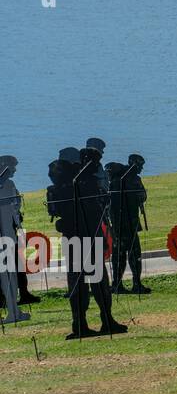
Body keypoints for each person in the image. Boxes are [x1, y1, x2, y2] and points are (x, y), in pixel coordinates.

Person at [48, 145, 127, 339]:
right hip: (89, 236)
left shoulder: (61, 184)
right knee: (97, 280)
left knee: (77, 282)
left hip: (72, 237)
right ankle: (105, 319)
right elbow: (99, 207)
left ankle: (80, 323)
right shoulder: (85, 181)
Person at [107, 154, 150, 294]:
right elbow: (143, 196)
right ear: (135, 164)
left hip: (118, 223)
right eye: (141, 166)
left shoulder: (115, 179)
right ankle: (136, 283)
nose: (142, 169)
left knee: (118, 255)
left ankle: (116, 284)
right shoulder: (134, 180)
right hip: (130, 222)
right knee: (134, 254)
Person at [0, 155, 30, 324]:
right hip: (4, 233)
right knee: (6, 274)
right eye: (12, 167)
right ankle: (12, 311)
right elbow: (15, 205)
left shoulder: (8, 184)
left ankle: (14, 310)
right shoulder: (7, 185)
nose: (15, 170)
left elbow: (16, 206)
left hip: (9, 233)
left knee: (10, 273)